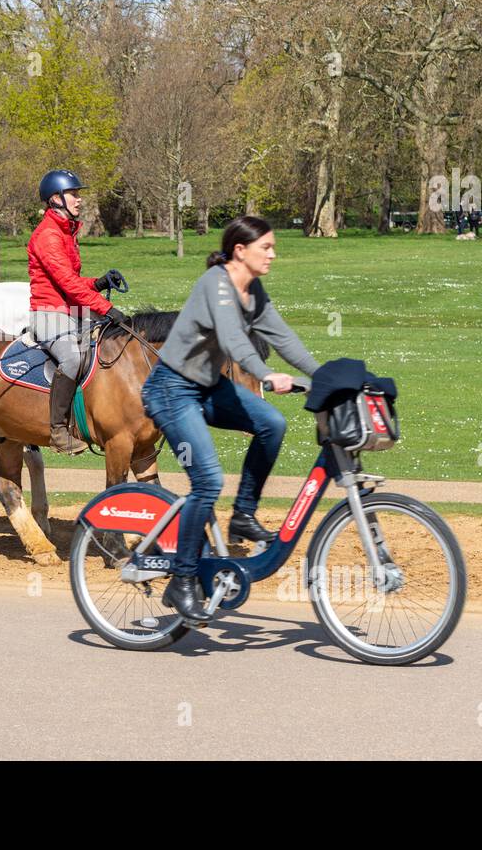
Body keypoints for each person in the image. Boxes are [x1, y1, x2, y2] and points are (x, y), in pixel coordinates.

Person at [140, 214, 321, 625]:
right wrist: (265, 374)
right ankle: (182, 580)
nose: (274, 254)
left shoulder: (252, 289)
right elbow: (234, 339)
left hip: (207, 387)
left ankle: (243, 514)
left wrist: (322, 374)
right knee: (207, 480)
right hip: (171, 389)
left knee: (272, 425)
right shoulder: (215, 284)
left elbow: (281, 335)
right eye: (267, 248)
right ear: (240, 251)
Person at [26, 169, 127, 455]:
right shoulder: (48, 235)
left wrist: (97, 283)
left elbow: (70, 280)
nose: (79, 199)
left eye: (78, 194)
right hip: (48, 314)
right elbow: (67, 284)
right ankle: (58, 430)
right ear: (56, 199)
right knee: (73, 357)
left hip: (72, 310)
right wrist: (106, 306)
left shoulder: (66, 232)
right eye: (74, 194)